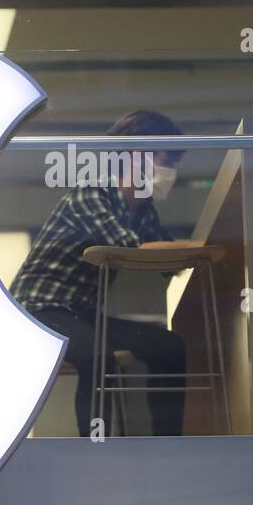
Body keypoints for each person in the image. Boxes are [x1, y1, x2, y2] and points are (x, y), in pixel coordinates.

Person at [12, 111, 187, 436]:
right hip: (39, 310)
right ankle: (96, 452)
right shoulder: (91, 192)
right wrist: (178, 251)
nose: (171, 173)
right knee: (98, 357)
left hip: (81, 314)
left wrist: (184, 253)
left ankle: (169, 446)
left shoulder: (143, 209)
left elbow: (168, 261)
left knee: (169, 347)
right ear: (137, 157)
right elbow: (127, 247)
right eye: (167, 162)